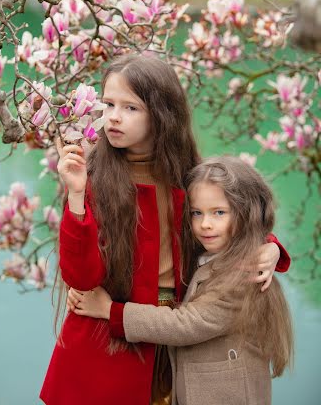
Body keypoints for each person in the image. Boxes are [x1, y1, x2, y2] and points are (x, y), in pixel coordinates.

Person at [40, 54, 290, 405]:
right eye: (108, 104)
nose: (113, 116)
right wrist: (77, 195)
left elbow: (229, 218)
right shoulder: (93, 177)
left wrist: (270, 246)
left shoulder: (187, 175)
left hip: (175, 334)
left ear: (161, 113)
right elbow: (81, 278)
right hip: (108, 337)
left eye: (130, 108)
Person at [68, 155, 294, 405]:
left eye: (219, 212)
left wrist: (111, 311)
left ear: (247, 213)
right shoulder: (215, 253)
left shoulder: (245, 275)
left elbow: (186, 324)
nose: (205, 224)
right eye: (197, 213)